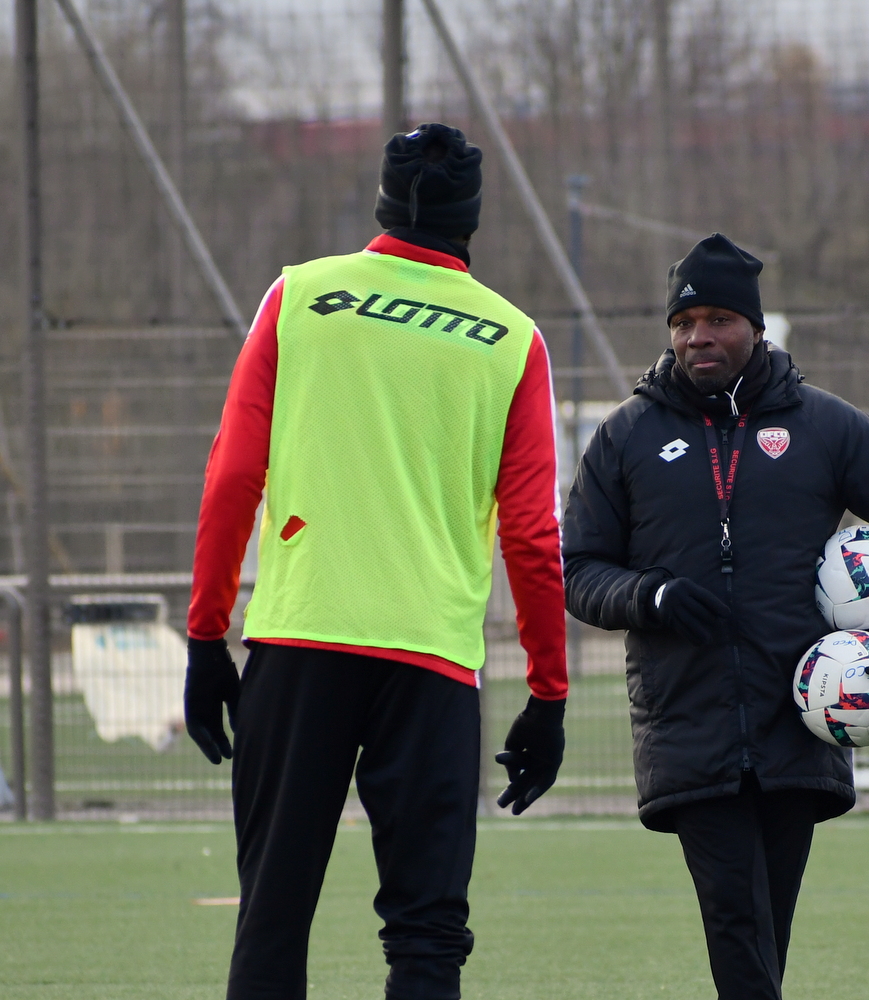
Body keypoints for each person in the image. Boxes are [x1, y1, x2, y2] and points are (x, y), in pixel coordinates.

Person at [183, 123, 569, 1000]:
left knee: (272, 917)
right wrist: (548, 693)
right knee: (428, 937)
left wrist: (207, 635)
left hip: (301, 644)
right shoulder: (514, 339)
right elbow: (533, 538)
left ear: (384, 203)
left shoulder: (300, 295)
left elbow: (233, 476)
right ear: (473, 219)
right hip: (431, 663)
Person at [562, 233, 869, 999]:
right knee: (737, 921)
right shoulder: (626, 436)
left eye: (717, 319)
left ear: (755, 326)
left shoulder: (823, 425)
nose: (698, 337)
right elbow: (577, 570)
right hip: (686, 721)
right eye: (683, 322)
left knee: (765, 927)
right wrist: (650, 595)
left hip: (805, 717)